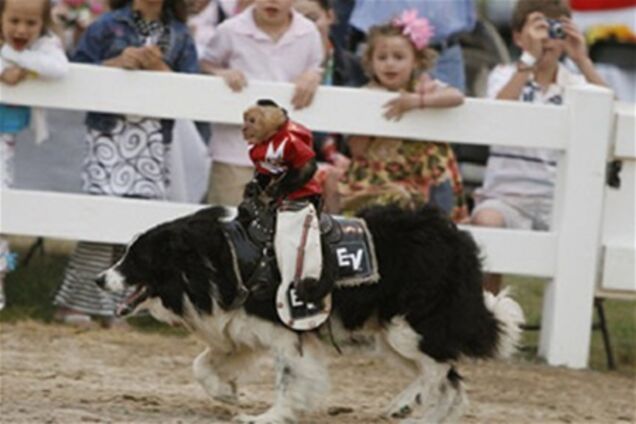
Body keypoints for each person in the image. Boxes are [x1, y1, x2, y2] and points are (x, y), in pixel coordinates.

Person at [53, 0, 198, 326]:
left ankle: (114, 307)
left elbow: (193, 87)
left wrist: (161, 71)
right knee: (98, 217)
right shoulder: (106, 26)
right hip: (108, 135)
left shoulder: (179, 35)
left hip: (152, 141)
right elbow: (78, 70)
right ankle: (76, 304)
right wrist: (117, 62)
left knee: (133, 225)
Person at [470, 0, 607, 294]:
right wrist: (528, 62)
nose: (546, 39)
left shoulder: (576, 83)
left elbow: (608, 112)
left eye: (554, 29)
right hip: (507, 197)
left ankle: (566, 318)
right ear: (518, 36)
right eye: (538, 28)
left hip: (561, 199)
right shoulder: (505, 74)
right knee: (486, 223)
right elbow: (497, 116)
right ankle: (487, 313)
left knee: (584, 238)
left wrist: (582, 59)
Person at [334, 10, 468, 221]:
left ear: (416, 60)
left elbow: (457, 96)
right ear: (370, 62)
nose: (389, 64)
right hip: (379, 177)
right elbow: (358, 151)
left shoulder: (424, 87)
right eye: (382, 57)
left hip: (422, 174)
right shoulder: (364, 96)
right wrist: (368, 123)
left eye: (399, 57)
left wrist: (418, 102)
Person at [200, 0, 324, 207]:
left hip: (286, 156)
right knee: (228, 223)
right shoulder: (230, 29)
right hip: (234, 151)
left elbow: (316, 68)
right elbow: (206, 64)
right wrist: (222, 73)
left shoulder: (308, 33)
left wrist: (313, 76)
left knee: (281, 227)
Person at [0, 0, 69, 310]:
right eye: (14, 20)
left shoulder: (43, 48)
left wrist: (20, 62)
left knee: (2, 206)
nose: (21, 29)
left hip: (5, 139)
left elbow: (58, 68)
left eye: (31, 23)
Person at [241, 99, 323, 301]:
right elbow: (266, 171)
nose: (245, 127)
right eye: (245, 121)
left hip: (302, 195)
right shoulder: (258, 148)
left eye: (252, 122)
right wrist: (257, 186)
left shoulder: (290, 141)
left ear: (268, 124)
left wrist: (281, 188)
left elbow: (308, 168)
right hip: (278, 197)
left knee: (289, 235)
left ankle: (302, 281)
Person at [293, 0, 367, 209]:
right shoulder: (282, 64)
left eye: (312, 18)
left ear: (330, 16)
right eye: (297, 18)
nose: (305, 26)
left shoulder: (359, 67)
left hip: (350, 161)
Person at [347, 0, 477, 92]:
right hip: (379, 47)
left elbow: (456, 97)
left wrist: (416, 102)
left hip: (445, 52)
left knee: (450, 121)